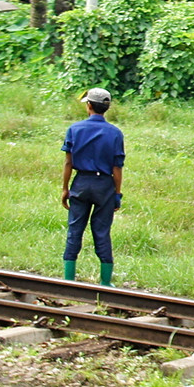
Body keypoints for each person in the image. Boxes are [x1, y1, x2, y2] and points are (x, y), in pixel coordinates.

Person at [60, 87, 125, 286]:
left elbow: (68, 163)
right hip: (104, 185)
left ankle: (68, 279)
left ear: (88, 105)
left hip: (81, 183)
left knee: (75, 229)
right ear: (107, 108)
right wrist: (117, 194)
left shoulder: (75, 129)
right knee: (102, 231)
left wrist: (65, 189)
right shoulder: (115, 133)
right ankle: (105, 282)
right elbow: (117, 168)